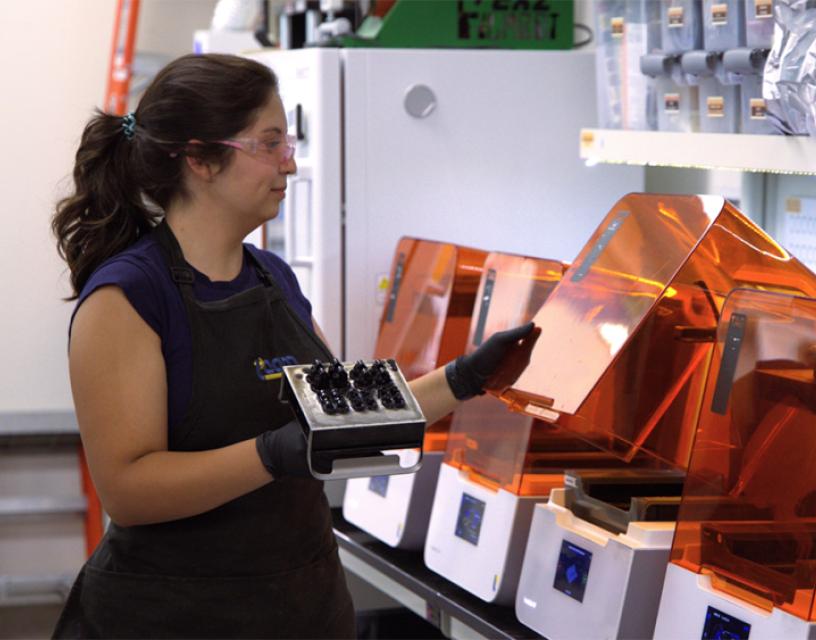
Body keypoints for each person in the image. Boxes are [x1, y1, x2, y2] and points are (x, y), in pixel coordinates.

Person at [51, 53, 539, 639]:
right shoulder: (128, 296)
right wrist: (272, 453)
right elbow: (128, 491)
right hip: (173, 616)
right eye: (270, 143)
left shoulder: (273, 278)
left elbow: (345, 414)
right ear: (202, 159)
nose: (292, 162)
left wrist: (467, 378)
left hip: (299, 608)